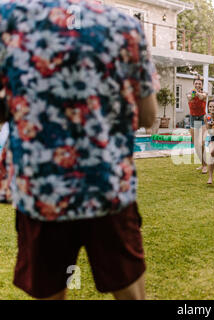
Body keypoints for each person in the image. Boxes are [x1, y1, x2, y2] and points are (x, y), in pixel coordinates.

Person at [0, 0, 159, 300]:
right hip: (108, 186)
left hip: (42, 193)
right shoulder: (125, 26)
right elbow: (148, 116)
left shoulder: (9, 19)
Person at [186, 76, 208, 174]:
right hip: (193, 119)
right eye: (196, 83)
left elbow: (201, 97)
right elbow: (190, 98)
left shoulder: (205, 93)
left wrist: (196, 92)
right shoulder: (189, 93)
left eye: (199, 83)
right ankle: (203, 163)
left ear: (202, 85)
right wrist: (194, 93)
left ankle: (205, 165)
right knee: (196, 145)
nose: (198, 85)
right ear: (193, 84)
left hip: (202, 118)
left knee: (202, 142)